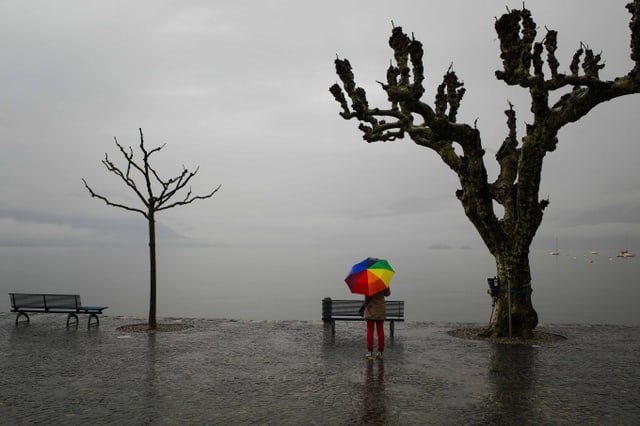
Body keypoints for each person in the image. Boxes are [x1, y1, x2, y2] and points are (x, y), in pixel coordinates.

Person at [363, 286, 391, 360]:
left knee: (370, 331)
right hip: (380, 310)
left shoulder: (369, 284)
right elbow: (387, 294)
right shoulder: (383, 282)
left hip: (371, 310)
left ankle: (370, 353)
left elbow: (366, 299)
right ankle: (380, 352)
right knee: (380, 331)